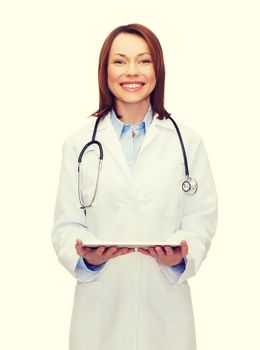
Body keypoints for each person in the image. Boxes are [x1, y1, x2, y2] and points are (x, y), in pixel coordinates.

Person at [51, 23, 217, 350]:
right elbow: (66, 224)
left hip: (165, 314)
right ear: (105, 70)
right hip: (100, 315)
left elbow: (201, 219)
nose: (132, 71)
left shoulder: (187, 143)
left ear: (158, 70)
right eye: (120, 61)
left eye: (143, 61)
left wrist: (181, 256)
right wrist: (88, 256)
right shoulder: (79, 144)